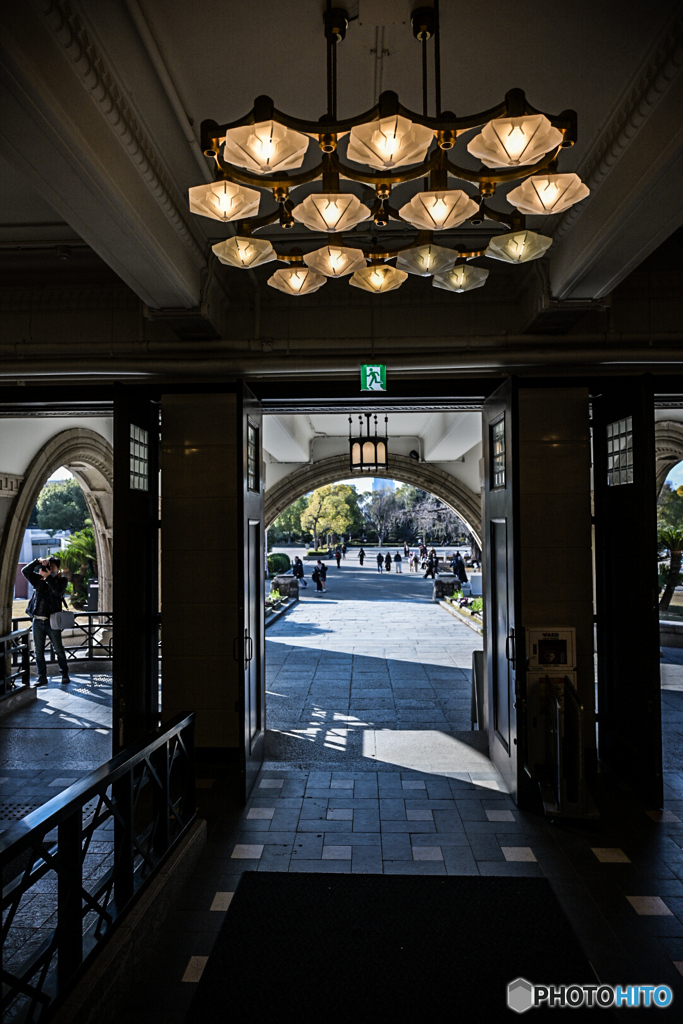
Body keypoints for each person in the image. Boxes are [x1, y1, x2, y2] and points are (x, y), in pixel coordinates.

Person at [22, 556, 71, 686]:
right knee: (38, 652)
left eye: (52, 567)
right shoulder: (38, 580)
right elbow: (25, 571)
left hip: (53, 621)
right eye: (48, 567)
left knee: (58, 649)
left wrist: (48, 577)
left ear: (58, 569)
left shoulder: (62, 581)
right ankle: (42, 677)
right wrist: (37, 562)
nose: (49, 569)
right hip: (37, 621)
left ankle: (64, 674)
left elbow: (57, 592)